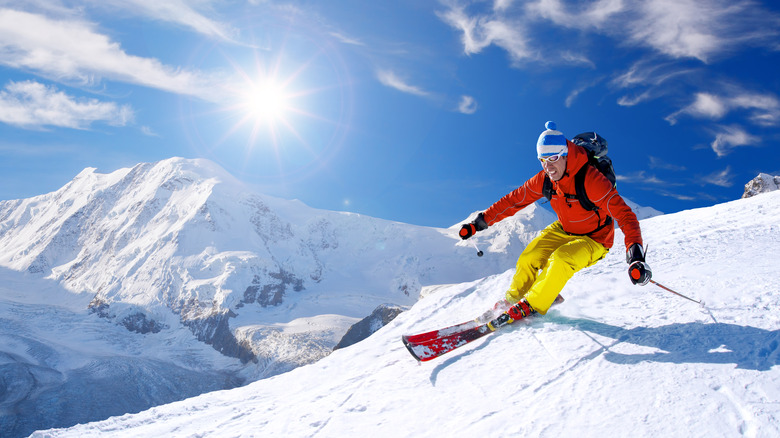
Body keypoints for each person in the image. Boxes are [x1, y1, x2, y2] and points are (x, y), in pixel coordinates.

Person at [459, 121, 652, 328]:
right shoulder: (545, 179)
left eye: (553, 158)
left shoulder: (591, 179)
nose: (548, 166)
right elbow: (513, 201)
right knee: (529, 257)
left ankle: (533, 304)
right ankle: (514, 300)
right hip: (564, 229)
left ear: (566, 154)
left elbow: (625, 216)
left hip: (595, 238)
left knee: (561, 259)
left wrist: (636, 255)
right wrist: (478, 223)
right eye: (542, 160)